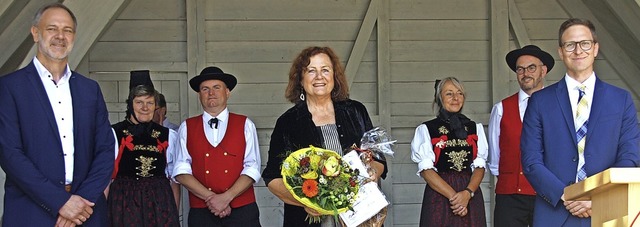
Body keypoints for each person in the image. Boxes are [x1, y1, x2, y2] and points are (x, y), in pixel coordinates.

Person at [0, 3, 114, 226]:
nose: (60, 36)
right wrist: (61, 202)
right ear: (35, 33)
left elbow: (105, 149)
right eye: (52, 28)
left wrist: (80, 203)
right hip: (31, 211)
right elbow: (9, 153)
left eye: (67, 30)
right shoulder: (10, 87)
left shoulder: (90, 90)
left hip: (86, 213)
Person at [521, 18, 640, 226]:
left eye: (585, 43)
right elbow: (531, 160)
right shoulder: (540, 101)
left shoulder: (620, 99)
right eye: (570, 45)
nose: (578, 51)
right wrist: (568, 195)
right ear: (560, 52)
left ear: (595, 49)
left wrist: (597, 196)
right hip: (555, 212)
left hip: (609, 212)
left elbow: (630, 156)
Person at [261, 46, 388, 227]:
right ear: (300, 79)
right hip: (309, 221)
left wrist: (372, 172)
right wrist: (305, 202)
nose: (319, 76)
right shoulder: (288, 122)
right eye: (311, 71)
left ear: (334, 77)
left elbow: (378, 159)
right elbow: (272, 178)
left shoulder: (356, 111)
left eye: (325, 70)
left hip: (360, 217)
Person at [173, 66, 262, 226]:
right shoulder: (187, 127)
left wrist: (225, 198)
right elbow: (181, 171)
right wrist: (212, 199)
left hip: (242, 211)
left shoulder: (245, 124)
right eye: (205, 89)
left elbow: (252, 167)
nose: (211, 93)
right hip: (202, 212)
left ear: (227, 92)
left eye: (216, 87)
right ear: (199, 94)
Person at [488, 45, 554, 227]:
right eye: (520, 69)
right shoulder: (501, 109)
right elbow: (495, 158)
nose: (525, 73)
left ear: (543, 70)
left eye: (531, 67)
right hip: (510, 197)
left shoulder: (559, 107)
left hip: (548, 194)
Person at [411, 77, 487, 227]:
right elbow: (427, 171)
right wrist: (456, 199)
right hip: (440, 195)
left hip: (470, 194)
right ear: (439, 98)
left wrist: (467, 193)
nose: (455, 98)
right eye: (449, 94)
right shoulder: (427, 129)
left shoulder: (474, 128)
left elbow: (479, 166)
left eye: (459, 93)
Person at [107, 70, 180, 226]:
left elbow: (174, 180)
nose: (145, 107)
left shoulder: (168, 135)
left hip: (160, 202)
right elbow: (106, 178)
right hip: (124, 200)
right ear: (130, 104)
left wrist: (173, 213)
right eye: (139, 102)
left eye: (150, 102)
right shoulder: (114, 133)